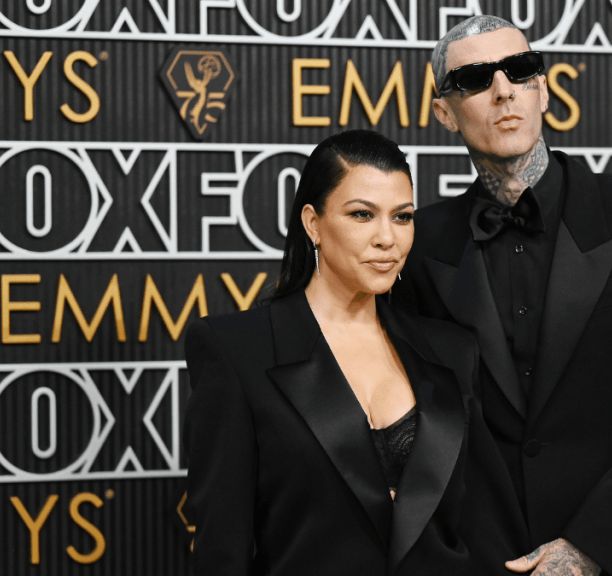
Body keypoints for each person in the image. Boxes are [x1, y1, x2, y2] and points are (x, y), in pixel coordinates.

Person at [394, 16, 612, 576]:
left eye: (519, 70)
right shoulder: (420, 247)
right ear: (444, 112)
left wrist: (589, 547)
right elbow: (426, 425)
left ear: (542, 88)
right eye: (474, 79)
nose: (503, 91)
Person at [184, 130, 486, 575]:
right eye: (362, 214)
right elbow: (220, 549)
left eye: (402, 217)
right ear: (313, 223)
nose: (388, 238)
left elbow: (474, 520)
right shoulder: (237, 351)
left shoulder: (452, 350)